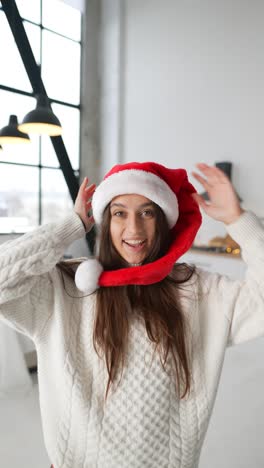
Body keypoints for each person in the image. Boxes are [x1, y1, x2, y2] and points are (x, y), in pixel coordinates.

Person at [0, 161, 263, 468]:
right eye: (120, 213)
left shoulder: (197, 290)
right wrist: (69, 227)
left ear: (162, 221)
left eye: (147, 212)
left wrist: (239, 221)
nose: (134, 229)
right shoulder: (65, 288)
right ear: (104, 221)